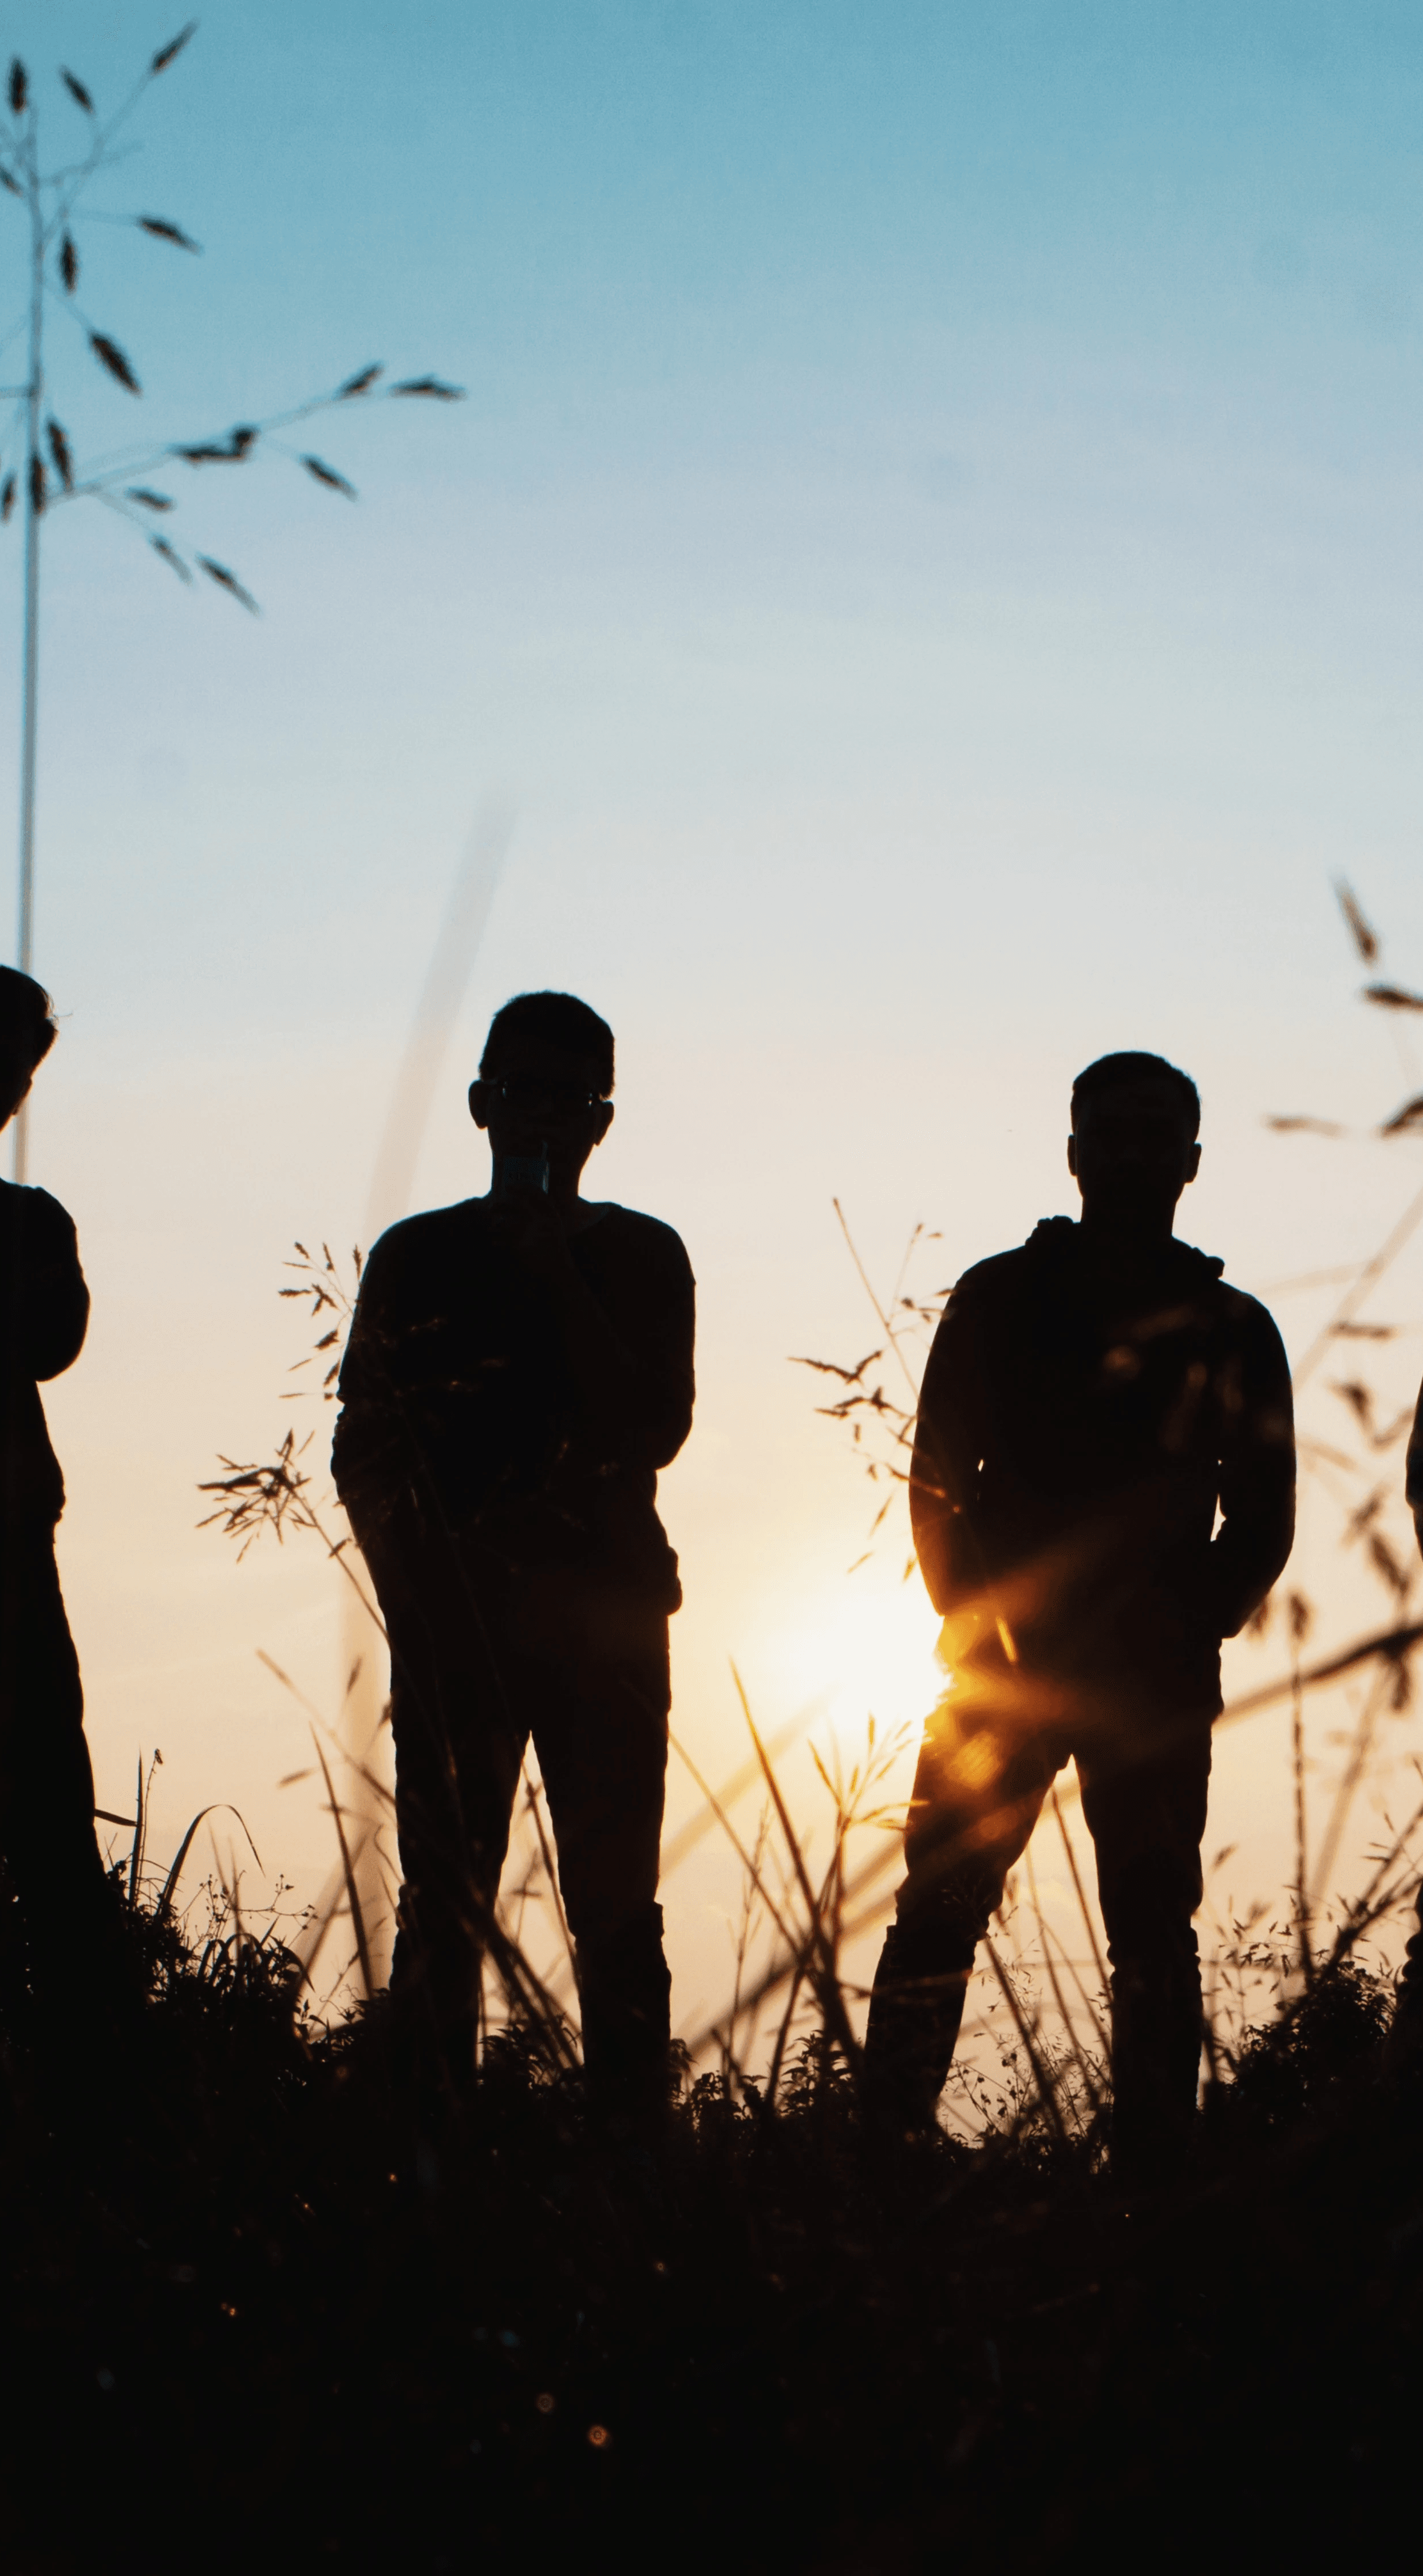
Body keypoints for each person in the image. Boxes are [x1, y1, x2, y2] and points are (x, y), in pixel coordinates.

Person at [864, 1050, 1296, 2179]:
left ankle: (1154, 2178)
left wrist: (1180, 1618)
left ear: (1191, 1161)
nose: (1134, 1152)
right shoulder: (1000, 1298)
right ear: (1074, 1151)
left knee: (1151, 1932)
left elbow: (1260, 1521)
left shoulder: (1231, 1328)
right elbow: (936, 1482)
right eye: (1112, 1130)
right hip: (998, 1674)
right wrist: (981, 1625)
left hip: (1151, 1683)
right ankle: (878, 2160)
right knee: (937, 1917)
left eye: (1157, 1133)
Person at [333, 991, 694, 2131]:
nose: (541, 1116)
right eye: (521, 1090)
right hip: (456, 1628)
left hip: (608, 1629)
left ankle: (631, 2161)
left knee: (615, 1905)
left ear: (602, 1120)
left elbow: (653, 1429)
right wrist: (410, 1592)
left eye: (568, 1097)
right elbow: (364, 1446)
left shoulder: (641, 1256)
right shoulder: (418, 1255)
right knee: (446, 1900)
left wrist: (556, 1274)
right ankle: (424, 2156)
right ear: (483, 1103)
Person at [0, 968, 120, 2044]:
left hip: (11, 1562)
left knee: (48, 1821)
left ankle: (92, 2076)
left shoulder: (33, 1225)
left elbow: (54, 1344)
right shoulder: (29, 1226)